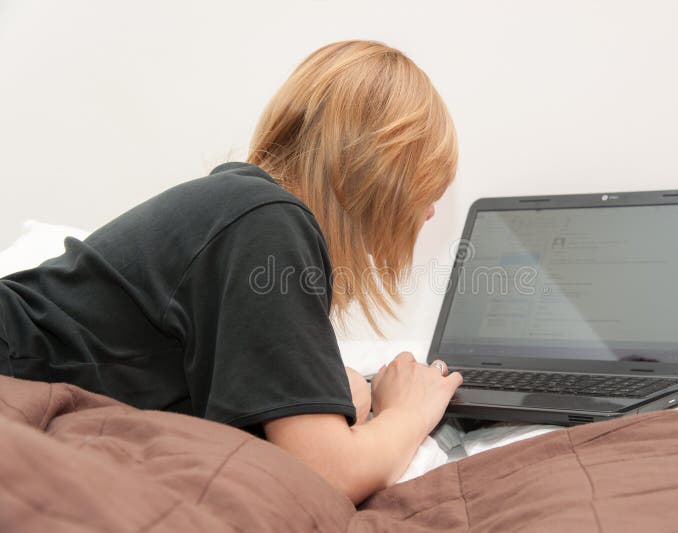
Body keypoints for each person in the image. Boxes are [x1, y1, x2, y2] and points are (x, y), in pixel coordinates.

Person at [0, 40, 461, 505]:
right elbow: (328, 472)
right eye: (426, 187)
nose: (429, 213)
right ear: (379, 173)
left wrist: (333, 396)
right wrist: (409, 412)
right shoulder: (267, 222)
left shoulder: (245, 208)